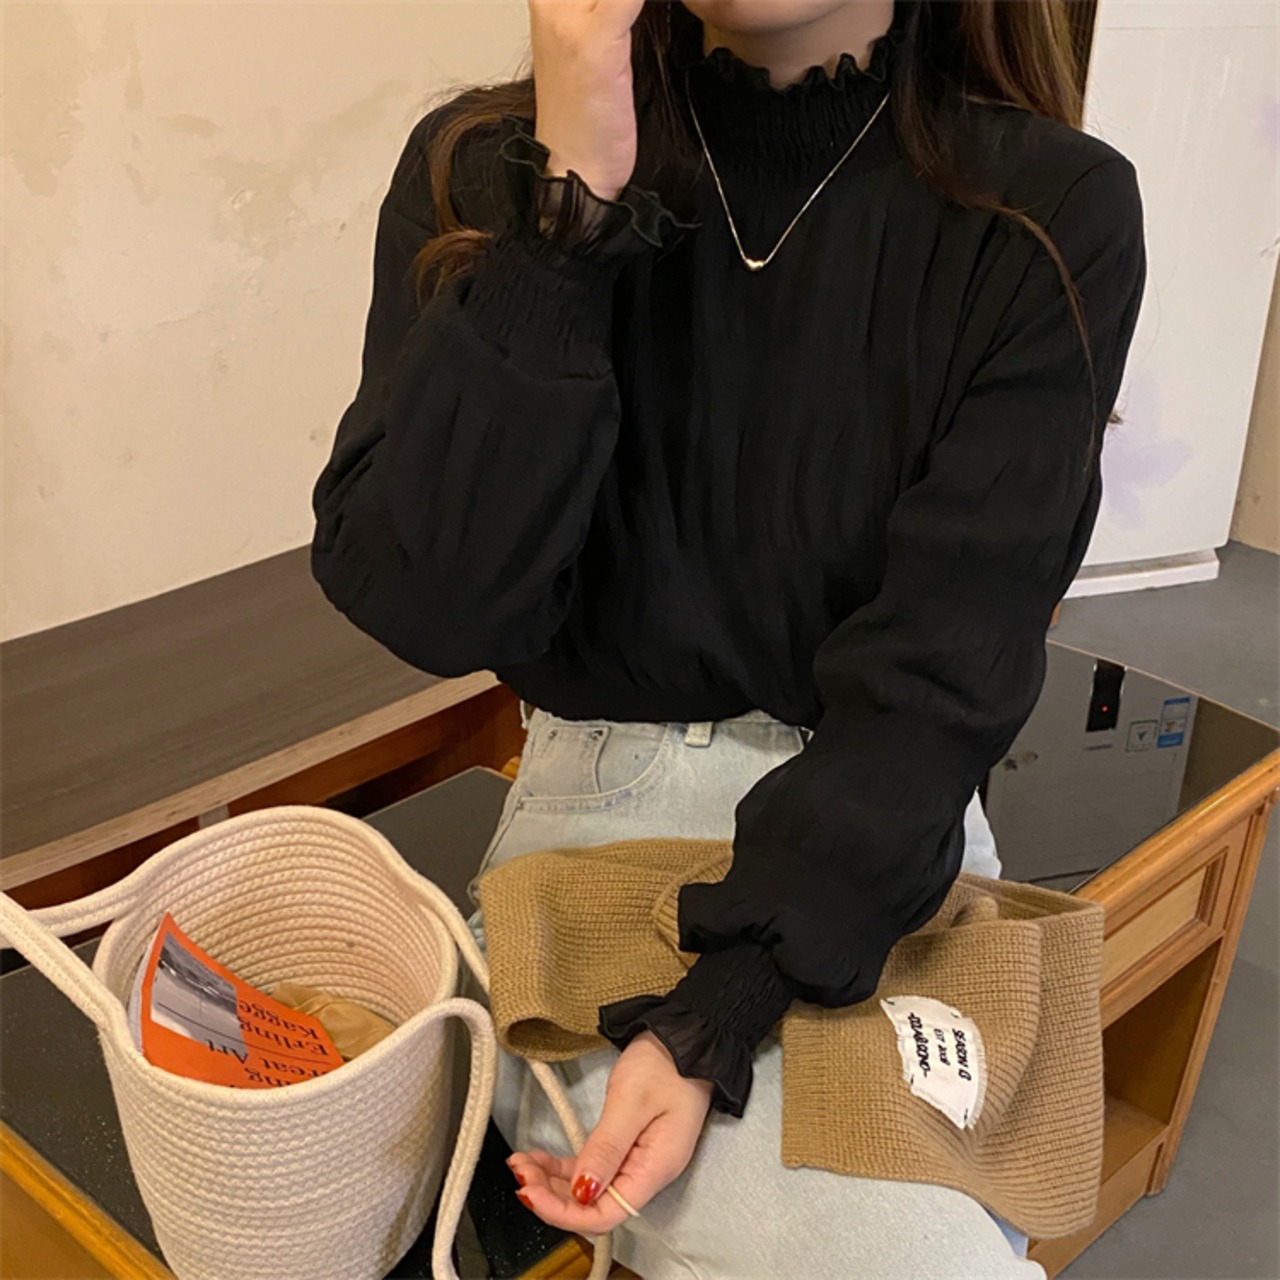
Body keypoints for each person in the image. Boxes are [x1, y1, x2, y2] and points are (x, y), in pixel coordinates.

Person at [310, 1, 1146, 1274]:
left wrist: (733, 993)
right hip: (604, 826)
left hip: (890, 838)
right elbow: (427, 598)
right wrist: (567, 219)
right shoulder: (486, 168)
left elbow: (945, 664)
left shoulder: (1045, 207)